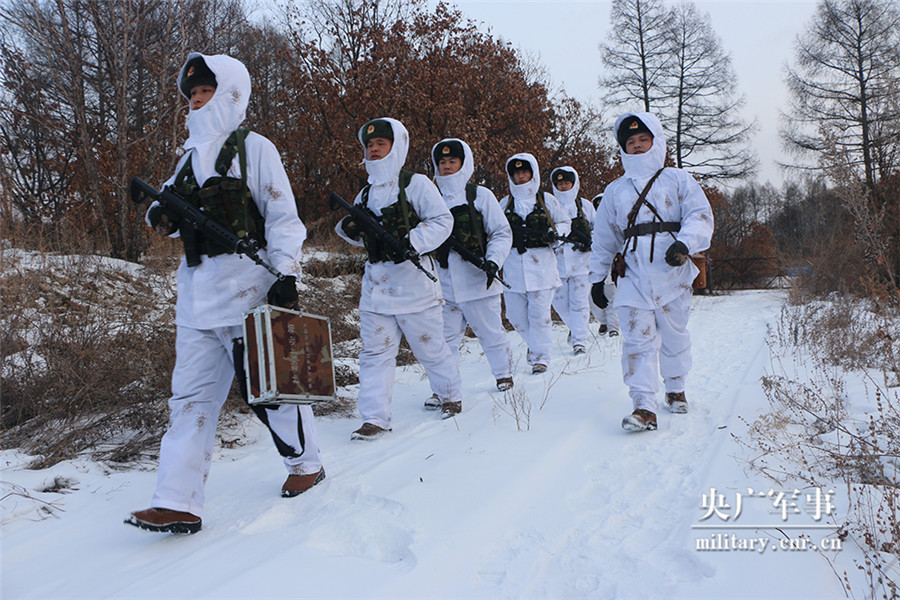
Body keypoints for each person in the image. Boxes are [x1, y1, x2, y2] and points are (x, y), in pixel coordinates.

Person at [127, 53, 324, 535]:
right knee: (189, 399)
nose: (197, 101)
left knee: (268, 394)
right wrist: (162, 217)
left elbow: (282, 217)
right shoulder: (188, 160)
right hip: (195, 296)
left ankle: (306, 465)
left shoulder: (254, 148)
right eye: (192, 95)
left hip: (247, 293)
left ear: (231, 92)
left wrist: (287, 274)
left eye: (206, 92)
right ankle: (177, 501)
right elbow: (169, 216)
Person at [335, 118, 463, 437]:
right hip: (377, 287)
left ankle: (450, 395)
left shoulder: (415, 183)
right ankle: (375, 417)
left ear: (396, 146)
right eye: (369, 145)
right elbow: (361, 237)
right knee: (375, 353)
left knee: (430, 348)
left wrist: (411, 242)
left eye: (381, 144)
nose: (374, 149)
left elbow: (441, 221)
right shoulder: (365, 193)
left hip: (415, 285)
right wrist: (350, 230)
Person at [590, 112, 713, 432]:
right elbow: (603, 238)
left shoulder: (678, 179)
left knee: (673, 335)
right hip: (632, 275)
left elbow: (700, 215)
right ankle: (643, 405)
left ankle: (675, 387)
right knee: (636, 341)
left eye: (644, 140)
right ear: (624, 149)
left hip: (673, 274)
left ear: (656, 142)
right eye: (631, 142)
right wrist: (596, 278)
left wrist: (685, 243)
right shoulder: (616, 190)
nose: (638, 146)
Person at [429, 138, 514, 396]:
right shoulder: (430, 197)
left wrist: (493, 260)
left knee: (490, 334)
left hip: (478, 280)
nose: (446, 167)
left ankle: (504, 375)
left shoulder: (480, 195)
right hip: (442, 282)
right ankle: (444, 389)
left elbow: (500, 232)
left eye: (452, 161)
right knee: (444, 342)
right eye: (441, 162)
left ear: (463, 164)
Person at [500, 154, 571, 374]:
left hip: (542, 265)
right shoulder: (505, 203)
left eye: (525, 172)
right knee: (514, 315)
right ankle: (535, 345)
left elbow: (564, 221)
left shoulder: (546, 199)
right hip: (513, 265)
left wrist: (556, 233)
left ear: (533, 174)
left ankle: (541, 357)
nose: (521, 176)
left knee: (539, 316)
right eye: (516, 173)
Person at [550, 167, 595, 355]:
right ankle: (576, 328)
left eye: (566, 183)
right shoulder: (549, 204)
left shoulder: (584, 205)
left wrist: (590, 243)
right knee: (559, 304)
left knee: (580, 303)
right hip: (556, 262)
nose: (563, 186)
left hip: (581, 262)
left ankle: (579, 342)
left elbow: (596, 228)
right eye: (559, 183)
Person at [589, 192, 619, 337]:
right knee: (594, 299)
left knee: (612, 297)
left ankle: (613, 327)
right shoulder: (590, 223)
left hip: (611, 266)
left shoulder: (614, 222)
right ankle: (603, 321)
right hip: (592, 266)